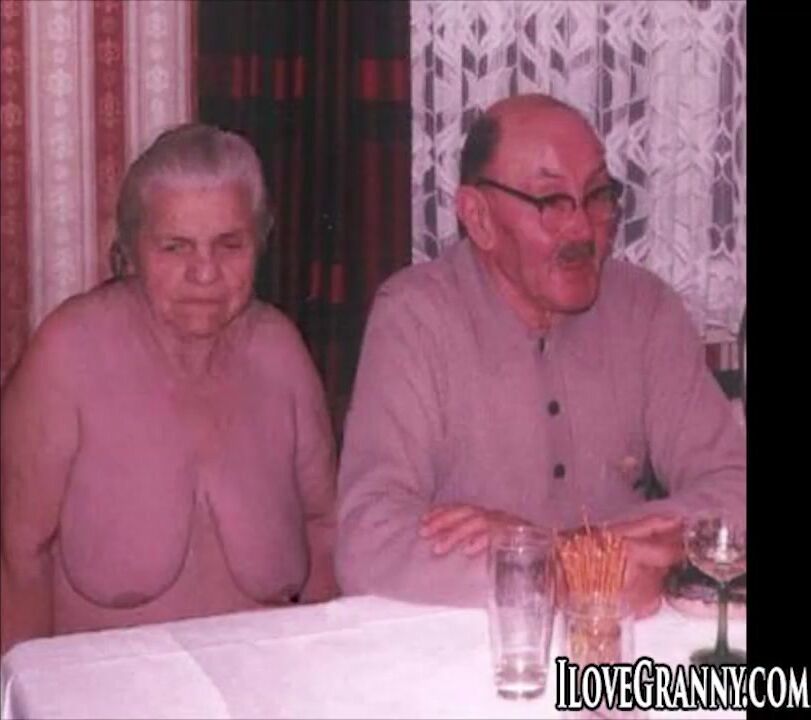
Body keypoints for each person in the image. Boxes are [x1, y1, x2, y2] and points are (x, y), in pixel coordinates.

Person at [335, 94, 746, 615]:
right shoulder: (415, 317)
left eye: (596, 195)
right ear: (478, 217)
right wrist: (550, 568)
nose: (583, 229)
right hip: (477, 639)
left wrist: (586, 550)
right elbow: (367, 542)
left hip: (622, 632)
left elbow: (734, 483)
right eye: (551, 201)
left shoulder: (644, 308)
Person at [0, 124, 337, 653]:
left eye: (230, 245)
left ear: (260, 241)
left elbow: (326, 530)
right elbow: (17, 559)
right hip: (105, 690)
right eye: (175, 247)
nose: (204, 273)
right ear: (130, 249)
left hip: (269, 683)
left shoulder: (282, 354)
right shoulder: (67, 355)